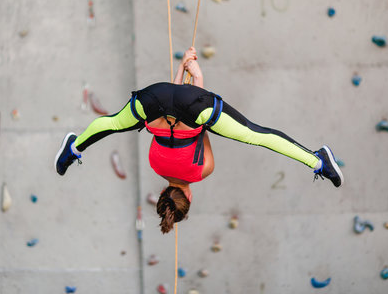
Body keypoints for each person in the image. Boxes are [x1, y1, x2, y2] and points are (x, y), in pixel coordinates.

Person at [55, 47, 344, 233]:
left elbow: (200, 127)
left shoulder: (200, 172)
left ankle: (319, 162)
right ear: (163, 193)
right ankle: (74, 146)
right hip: (154, 98)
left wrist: (198, 81)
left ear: (189, 198)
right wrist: (183, 70)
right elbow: (170, 114)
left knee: (255, 136)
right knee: (115, 124)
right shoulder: (156, 165)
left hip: (194, 107)